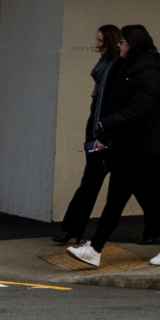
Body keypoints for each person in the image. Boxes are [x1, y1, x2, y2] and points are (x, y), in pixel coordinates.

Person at [67, 24, 160, 268]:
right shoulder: (127, 68)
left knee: (151, 198)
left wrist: (107, 123)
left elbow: (138, 110)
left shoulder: (149, 73)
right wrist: (106, 133)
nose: (118, 45)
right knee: (117, 198)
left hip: (152, 150)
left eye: (123, 41)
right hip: (130, 147)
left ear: (134, 44)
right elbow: (116, 103)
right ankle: (95, 249)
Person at [52, 24, 121, 244]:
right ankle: (72, 228)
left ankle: (71, 229)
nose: (97, 44)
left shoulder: (114, 69)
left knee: (94, 184)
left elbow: (109, 106)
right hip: (99, 133)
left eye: (100, 40)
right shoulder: (105, 67)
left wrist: (101, 134)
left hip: (105, 135)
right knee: (90, 183)